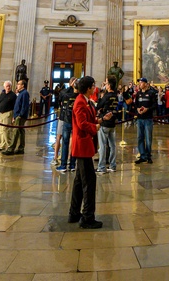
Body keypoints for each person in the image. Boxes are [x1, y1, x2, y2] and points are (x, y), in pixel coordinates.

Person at [68, 75, 103, 229]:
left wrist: (99, 121)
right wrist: (94, 128)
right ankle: (87, 217)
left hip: (84, 145)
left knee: (79, 181)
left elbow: (88, 119)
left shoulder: (85, 101)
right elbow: (82, 124)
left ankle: (74, 213)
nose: (95, 87)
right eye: (93, 85)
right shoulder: (80, 102)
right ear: (89, 88)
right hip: (82, 146)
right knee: (89, 181)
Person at [96, 78, 118, 172]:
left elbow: (98, 105)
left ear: (109, 85)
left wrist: (101, 95)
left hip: (104, 123)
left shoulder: (106, 96)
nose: (105, 84)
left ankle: (101, 167)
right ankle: (113, 165)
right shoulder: (115, 95)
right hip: (112, 123)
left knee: (102, 146)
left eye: (106, 83)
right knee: (112, 145)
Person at [56, 78, 77, 172]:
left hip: (68, 120)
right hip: (73, 120)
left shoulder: (69, 93)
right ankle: (72, 164)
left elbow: (62, 95)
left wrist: (70, 87)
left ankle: (64, 164)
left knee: (66, 142)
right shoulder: (78, 94)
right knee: (71, 141)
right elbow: (60, 96)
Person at [4, 79, 30, 155]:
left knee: (15, 132)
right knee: (21, 132)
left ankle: (11, 149)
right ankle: (21, 148)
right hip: (18, 115)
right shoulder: (20, 93)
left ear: (23, 85)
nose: (17, 85)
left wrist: (19, 115)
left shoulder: (25, 93)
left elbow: (24, 106)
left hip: (20, 116)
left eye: (18, 84)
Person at [134, 77, 156, 164]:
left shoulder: (151, 93)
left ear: (146, 84)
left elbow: (154, 105)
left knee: (148, 138)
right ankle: (142, 155)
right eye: (139, 82)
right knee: (140, 137)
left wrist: (148, 109)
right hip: (140, 119)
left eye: (142, 82)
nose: (140, 84)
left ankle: (148, 155)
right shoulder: (138, 94)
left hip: (148, 118)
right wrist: (138, 109)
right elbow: (135, 105)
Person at [0, 81, 16, 152]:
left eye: (9, 86)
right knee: (1, 130)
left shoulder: (13, 95)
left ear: (11, 87)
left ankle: (9, 145)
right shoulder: (2, 95)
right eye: (7, 86)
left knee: (6, 130)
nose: (8, 87)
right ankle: (1, 145)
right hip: (1, 114)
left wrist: (14, 116)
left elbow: (15, 106)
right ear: (4, 87)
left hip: (8, 114)